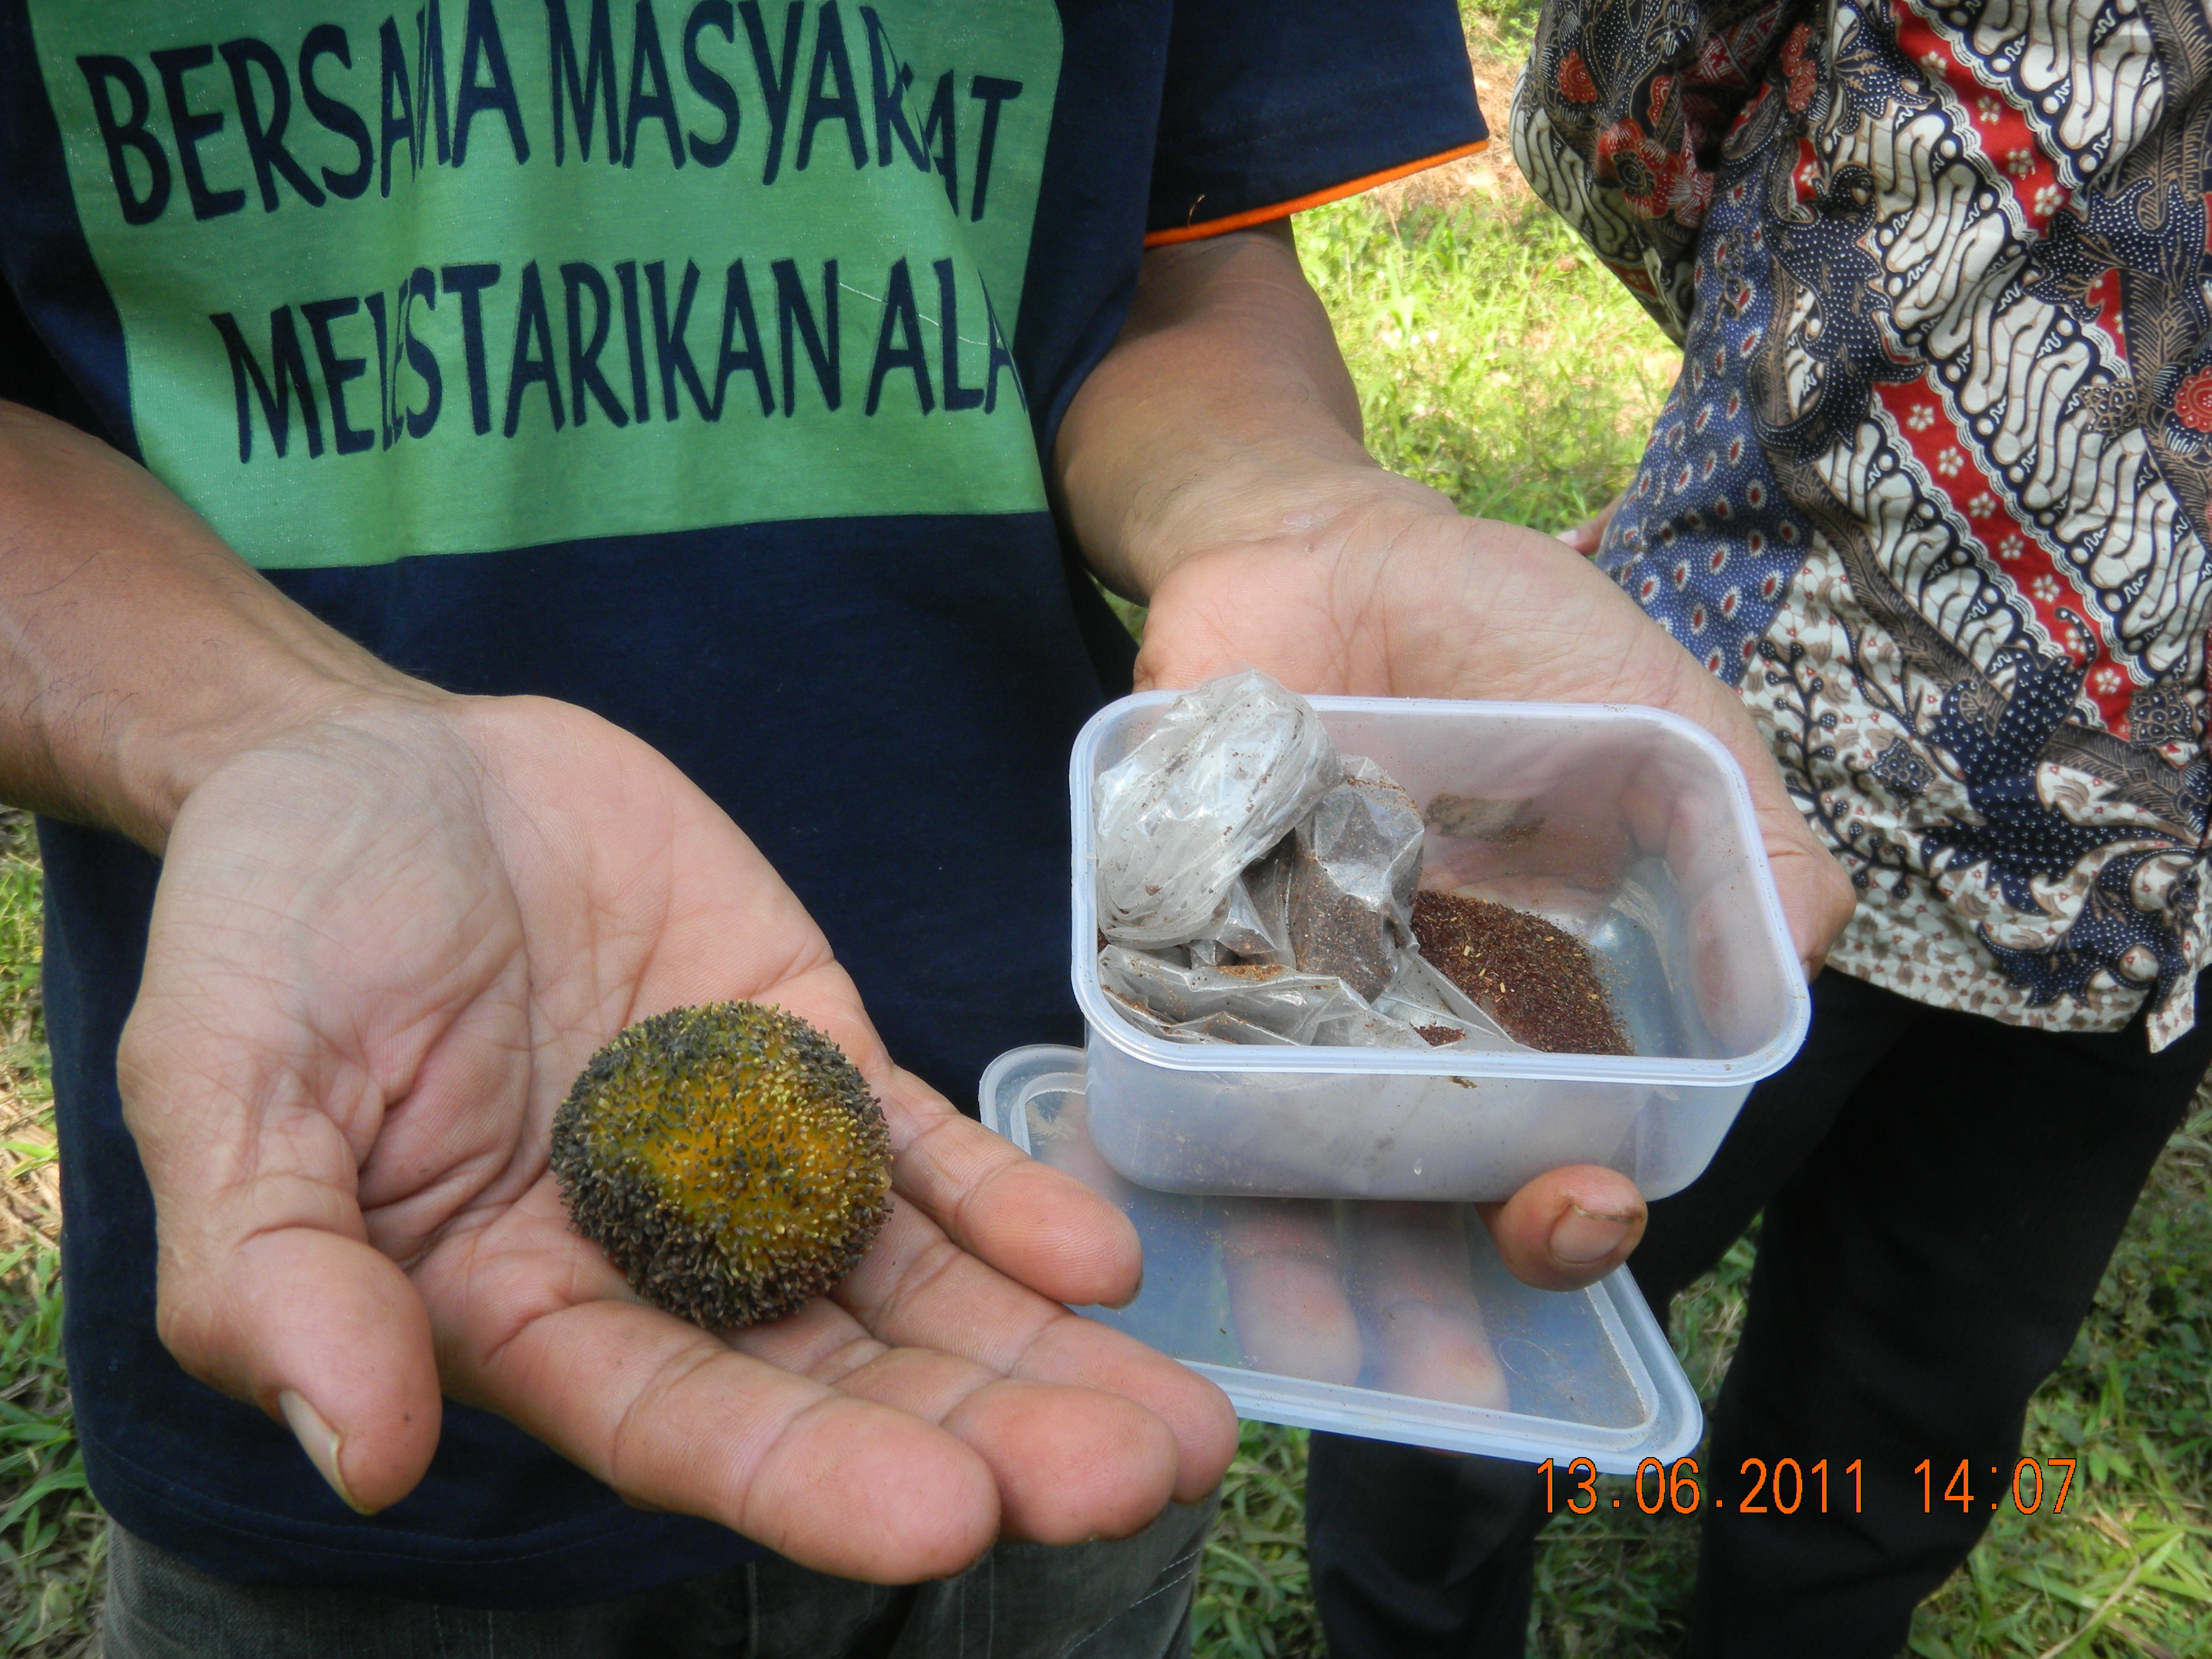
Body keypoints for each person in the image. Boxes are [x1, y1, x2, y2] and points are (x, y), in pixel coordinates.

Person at [0, 2, 1853, 1653]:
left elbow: (1168, 265)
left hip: (1073, 1193)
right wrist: (276, 731)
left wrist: (1273, 507)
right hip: (395, 1212)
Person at [1303, 2, 2212, 1654]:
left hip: (2143, 879)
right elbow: (1621, 92)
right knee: (1482, 1321)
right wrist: (1784, 367)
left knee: (1907, 1413)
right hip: (1759, 734)